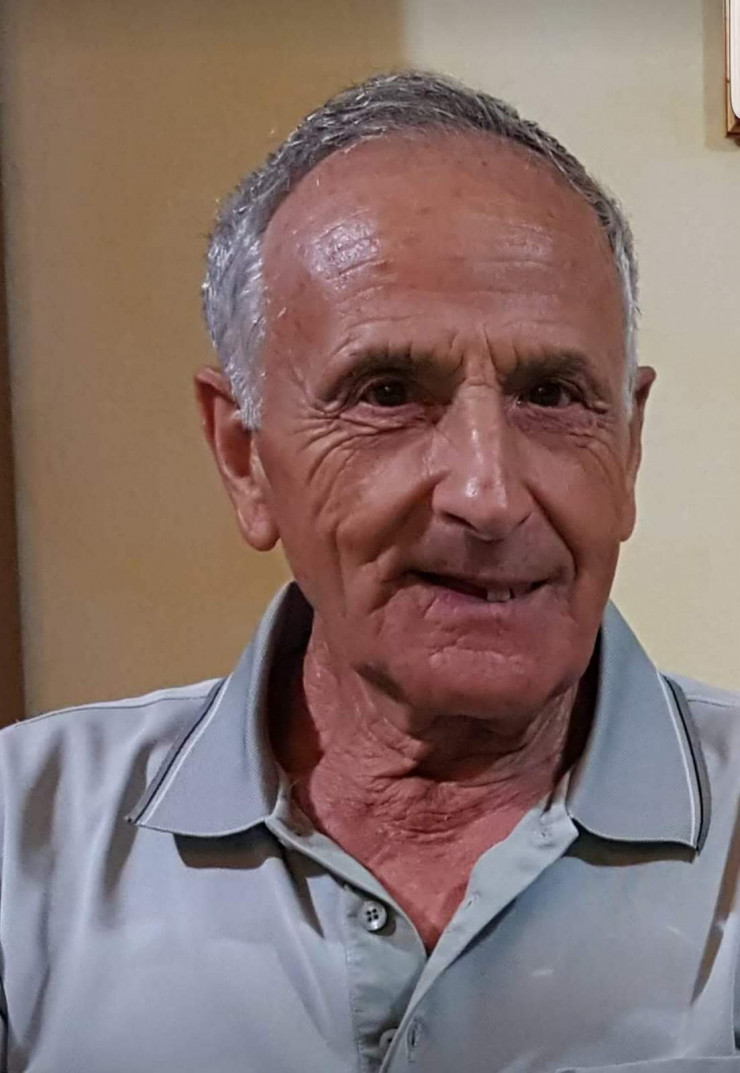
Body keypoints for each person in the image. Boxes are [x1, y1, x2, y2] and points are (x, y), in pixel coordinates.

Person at [1, 70, 739, 1073]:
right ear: (244, 458)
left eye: (552, 394)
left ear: (629, 445)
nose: (487, 493)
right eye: (387, 393)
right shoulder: (20, 840)